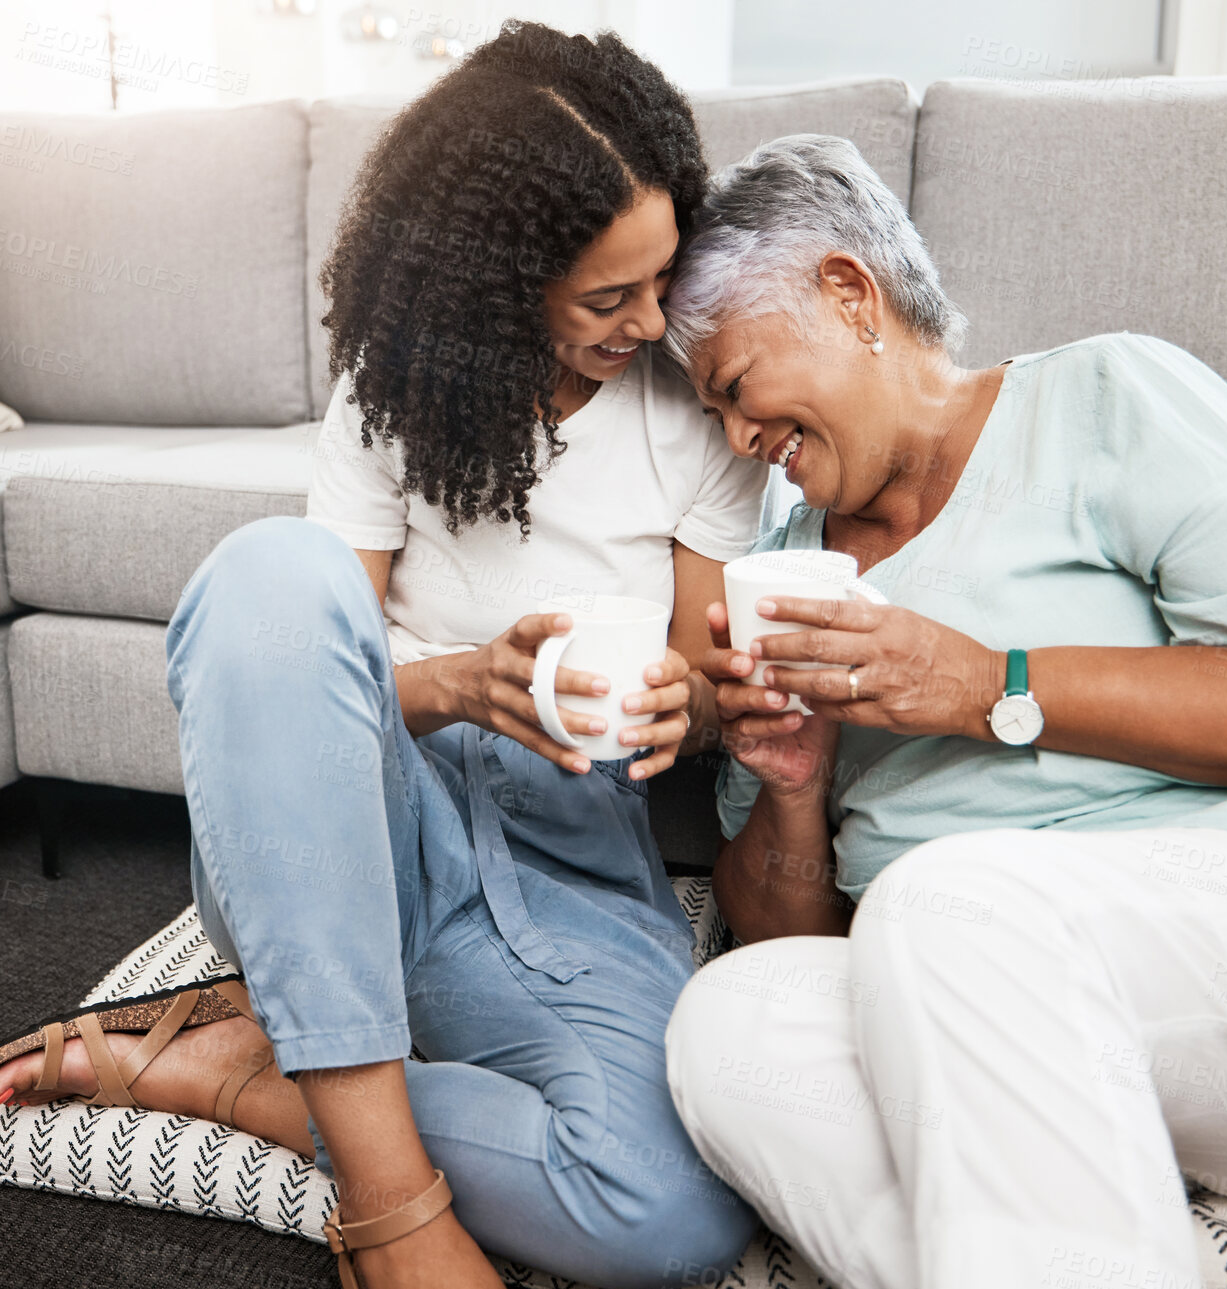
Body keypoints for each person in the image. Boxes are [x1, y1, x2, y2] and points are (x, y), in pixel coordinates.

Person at [657, 134, 1227, 1289]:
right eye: (712, 415)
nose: (738, 440)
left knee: (945, 895)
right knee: (730, 1023)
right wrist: (797, 788)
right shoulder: (787, 573)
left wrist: (985, 684)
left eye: (737, 388)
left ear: (849, 294)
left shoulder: (1106, 398)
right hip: (1036, 1034)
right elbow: (802, 946)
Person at [0, 24, 764, 1289]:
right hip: (345, 841)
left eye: (662, 278)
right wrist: (462, 683)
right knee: (267, 569)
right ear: (499, 279)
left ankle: (259, 1069)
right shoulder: (391, 387)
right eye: (605, 297)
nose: (650, 321)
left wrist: (694, 705)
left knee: (670, 1211)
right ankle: (391, 1203)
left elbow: (704, 687)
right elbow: (307, 656)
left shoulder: (696, 406)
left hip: (575, 869)